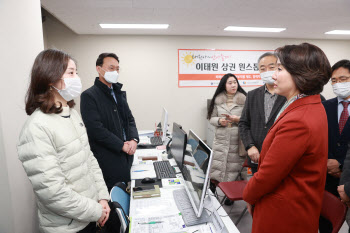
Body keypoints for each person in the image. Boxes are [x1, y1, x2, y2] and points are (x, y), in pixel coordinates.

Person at [17, 49, 110, 233]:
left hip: (91, 215)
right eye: (71, 73)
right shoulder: (37, 127)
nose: (77, 78)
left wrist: (102, 198)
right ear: (50, 78)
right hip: (69, 227)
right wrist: (96, 211)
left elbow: (88, 159)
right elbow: (53, 193)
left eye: (76, 72)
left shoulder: (71, 114)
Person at [243, 43, 331, 233]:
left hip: (284, 212)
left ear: (301, 75)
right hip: (296, 204)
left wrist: (248, 195)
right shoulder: (309, 105)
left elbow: (268, 175)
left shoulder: (298, 119)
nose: (273, 75)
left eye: (280, 69)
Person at [80, 53, 139, 191]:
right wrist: (121, 145)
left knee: (128, 194)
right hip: (108, 160)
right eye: (111, 68)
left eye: (117, 69)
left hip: (126, 156)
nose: (115, 72)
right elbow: (96, 130)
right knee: (113, 199)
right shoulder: (89, 96)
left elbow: (129, 119)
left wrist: (134, 140)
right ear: (99, 69)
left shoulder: (118, 93)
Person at [239, 52, 286, 174]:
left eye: (271, 67)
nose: (267, 71)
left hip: (280, 158)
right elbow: (243, 123)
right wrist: (249, 146)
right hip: (256, 156)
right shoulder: (252, 95)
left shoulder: (287, 95)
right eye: (262, 68)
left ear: (280, 68)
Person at [320, 59, 350, 233]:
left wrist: (339, 164)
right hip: (326, 177)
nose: (338, 84)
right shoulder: (324, 106)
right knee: (325, 223)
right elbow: (317, 139)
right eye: (334, 80)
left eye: (344, 79)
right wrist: (327, 162)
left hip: (348, 175)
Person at [207, 73, 247, 204]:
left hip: (237, 139)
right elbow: (211, 118)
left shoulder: (245, 99)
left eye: (235, 82)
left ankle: (230, 194)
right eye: (230, 83)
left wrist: (237, 119)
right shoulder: (218, 99)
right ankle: (213, 187)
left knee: (233, 167)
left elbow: (249, 120)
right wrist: (219, 121)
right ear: (224, 85)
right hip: (221, 139)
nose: (233, 85)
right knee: (218, 165)